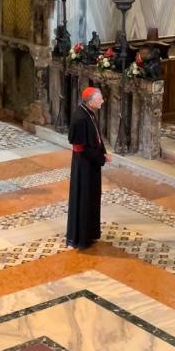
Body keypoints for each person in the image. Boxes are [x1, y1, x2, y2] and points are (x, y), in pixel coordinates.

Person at [67, 87, 109, 249]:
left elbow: (96, 138)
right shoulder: (81, 118)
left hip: (90, 163)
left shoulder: (88, 113)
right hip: (84, 166)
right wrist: (101, 157)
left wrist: (103, 153)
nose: (103, 101)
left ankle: (90, 233)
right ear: (91, 102)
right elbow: (81, 146)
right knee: (84, 199)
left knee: (92, 198)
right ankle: (82, 237)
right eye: (100, 99)